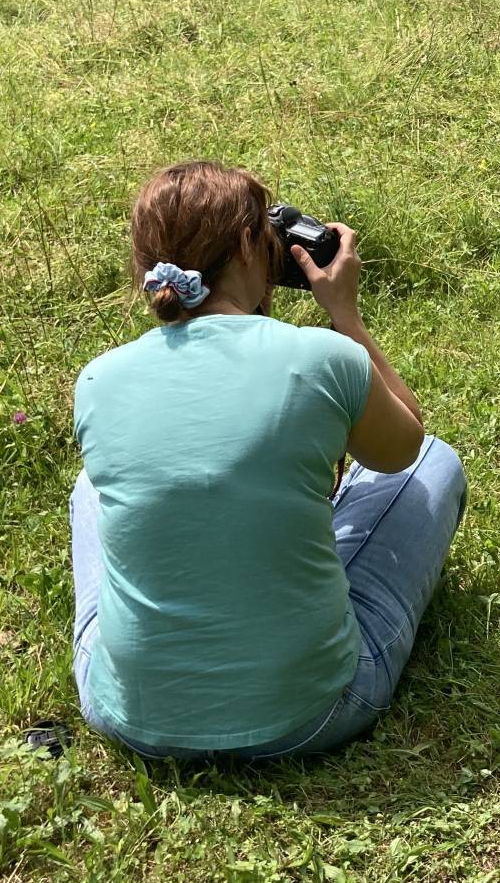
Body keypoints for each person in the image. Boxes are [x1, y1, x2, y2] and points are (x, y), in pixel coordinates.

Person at [68, 161, 465, 759]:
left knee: (92, 488)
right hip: (311, 712)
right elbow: (403, 447)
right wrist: (345, 315)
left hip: (129, 716)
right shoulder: (322, 357)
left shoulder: (98, 380)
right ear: (255, 246)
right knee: (432, 463)